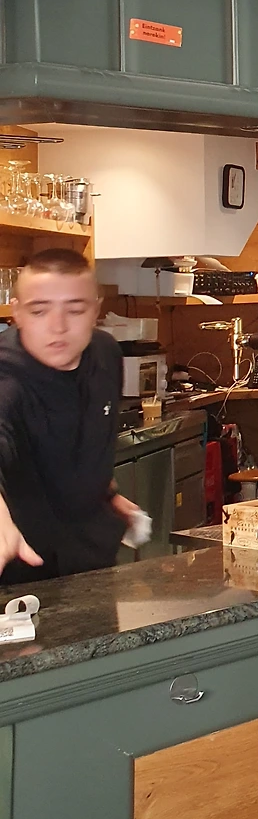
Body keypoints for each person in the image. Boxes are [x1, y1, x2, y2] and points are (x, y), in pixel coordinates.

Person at [0, 249, 141, 584]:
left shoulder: (106, 353)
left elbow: (87, 439)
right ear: (16, 312)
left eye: (75, 310)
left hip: (94, 563)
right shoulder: (7, 377)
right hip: (22, 570)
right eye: (39, 310)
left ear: (96, 310)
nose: (58, 327)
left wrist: (104, 492)